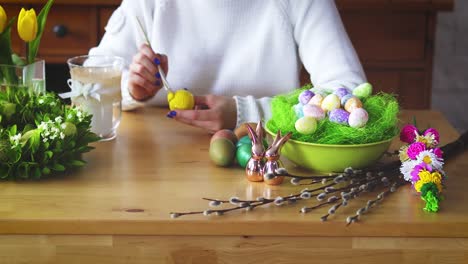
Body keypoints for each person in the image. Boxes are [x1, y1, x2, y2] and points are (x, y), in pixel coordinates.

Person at [89, 0, 366, 133]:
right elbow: (89, 83)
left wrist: (247, 113)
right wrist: (132, 88)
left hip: (272, 168)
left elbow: (349, 96)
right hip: (152, 177)